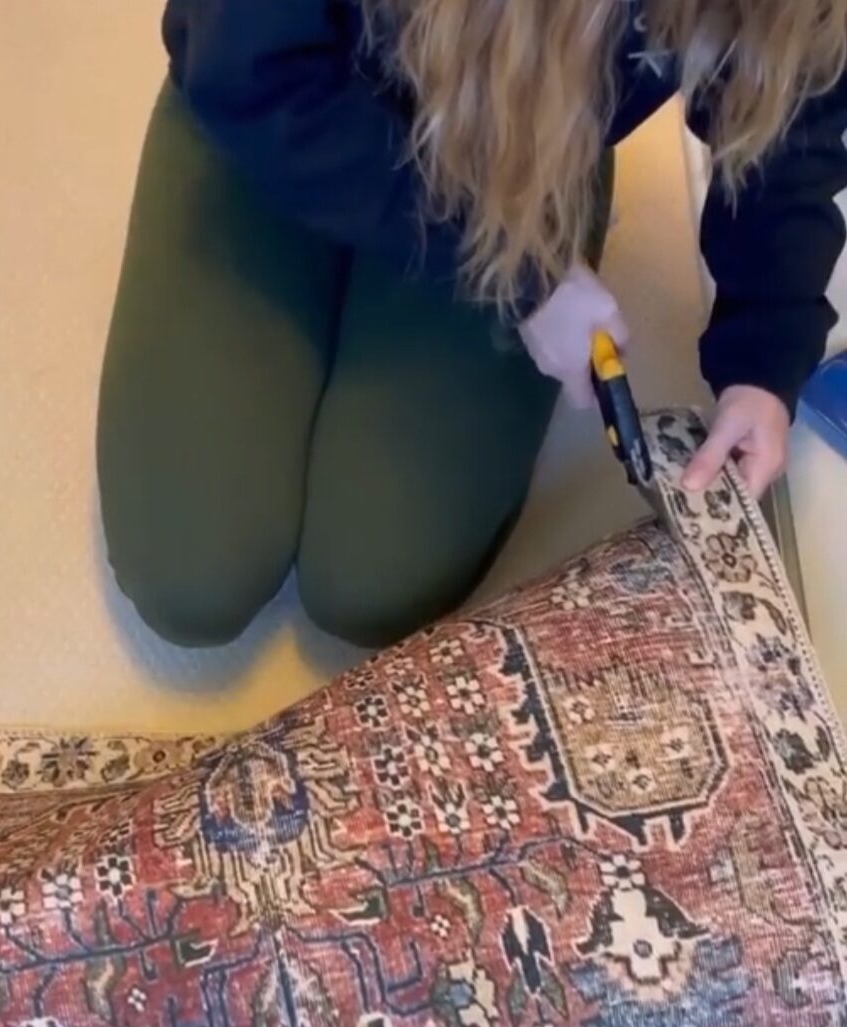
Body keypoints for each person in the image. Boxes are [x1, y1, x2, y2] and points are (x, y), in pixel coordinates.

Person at [97, 0, 847, 650]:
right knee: (191, 578)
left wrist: (764, 353)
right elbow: (247, 69)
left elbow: (787, 110)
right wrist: (525, 281)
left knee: (372, 582)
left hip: (520, 160)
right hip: (282, 100)